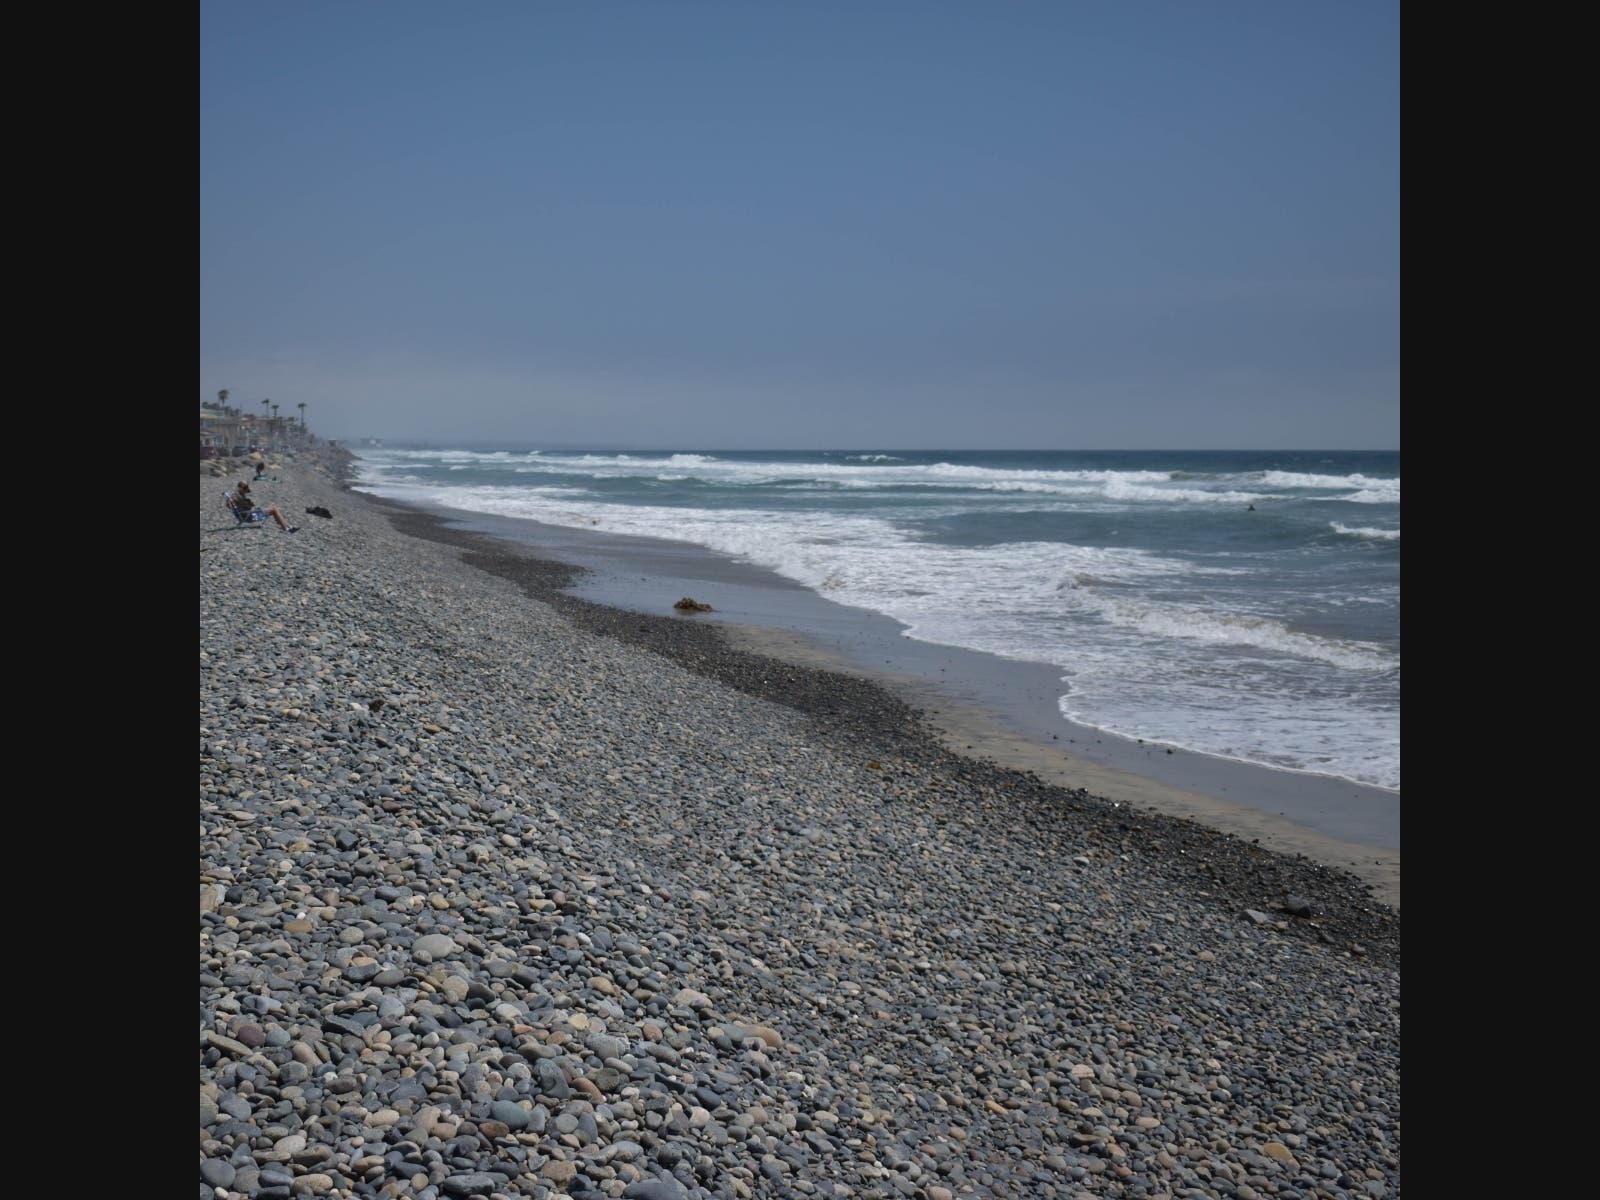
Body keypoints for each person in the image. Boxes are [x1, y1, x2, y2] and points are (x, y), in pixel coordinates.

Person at [230, 481, 297, 532]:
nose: (246, 489)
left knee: (273, 506)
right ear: (239, 488)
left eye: (246, 487)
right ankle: (286, 527)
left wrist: (247, 490)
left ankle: (286, 525)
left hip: (248, 514)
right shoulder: (239, 497)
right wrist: (249, 503)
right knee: (274, 509)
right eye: (245, 488)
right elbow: (249, 506)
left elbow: (231, 504)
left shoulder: (237, 495)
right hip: (250, 515)